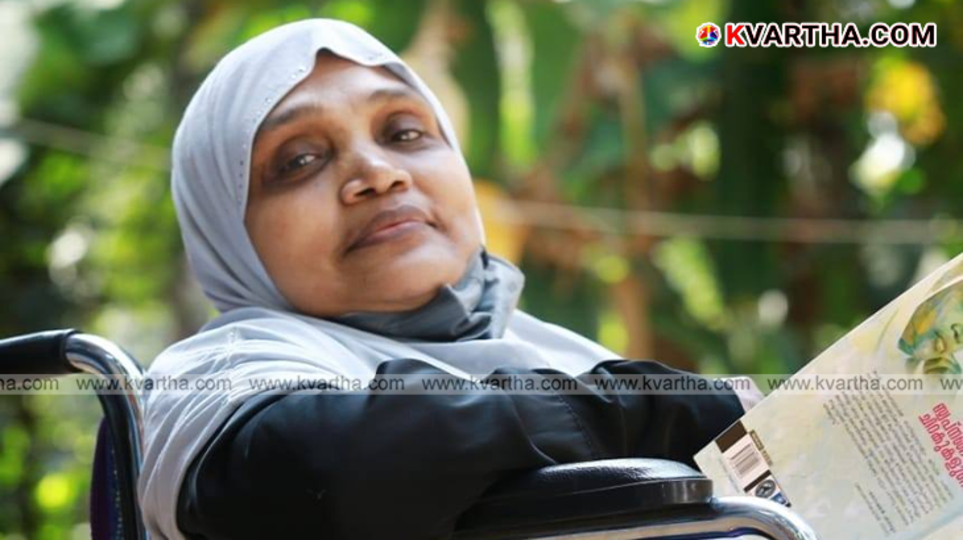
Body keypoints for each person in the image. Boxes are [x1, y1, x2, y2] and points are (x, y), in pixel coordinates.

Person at [136, 18, 762, 540]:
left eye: (405, 133)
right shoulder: (218, 373)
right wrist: (653, 414)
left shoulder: (558, 351)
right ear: (228, 229)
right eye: (300, 160)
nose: (378, 173)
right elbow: (331, 469)